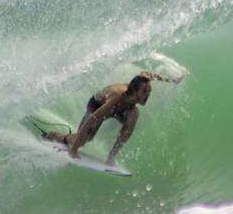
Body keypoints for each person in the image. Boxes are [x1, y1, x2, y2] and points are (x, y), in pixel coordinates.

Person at [44, 71, 183, 166]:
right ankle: (56, 135)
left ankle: (111, 156)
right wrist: (73, 150)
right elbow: (91, 120)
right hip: (98, 105)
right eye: (144, 92)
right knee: (83, 141)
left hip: (121, 109)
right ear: (134, 91)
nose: (147, 95)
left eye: (149, 91)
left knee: (134, 114)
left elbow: (148, 74)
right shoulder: (116, 97)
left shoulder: (140, 81)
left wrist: (172, 80)